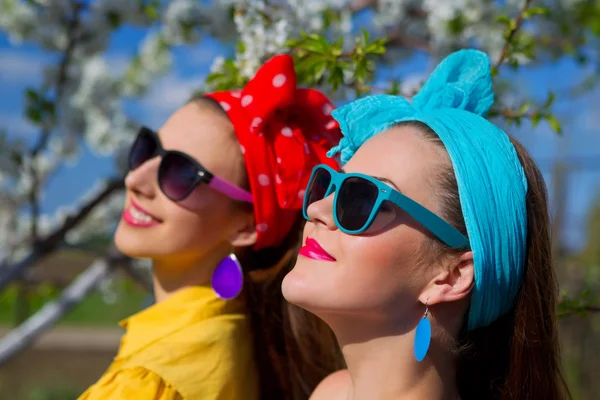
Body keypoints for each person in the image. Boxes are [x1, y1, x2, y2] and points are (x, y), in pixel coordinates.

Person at [282, 49, 571, 400]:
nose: (318, 209)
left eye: (361, 199)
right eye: (327, 186)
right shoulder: (330, 392)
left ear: (452, 275)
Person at [79, 54, 344, 400]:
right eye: (147, 150)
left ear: (246, 226)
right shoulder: (233, 332)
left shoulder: (149, 383)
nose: (135, 179)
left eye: (180, 173)